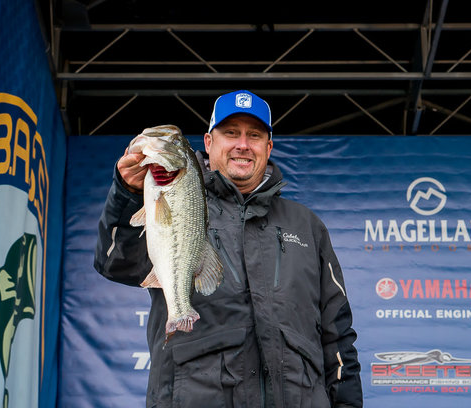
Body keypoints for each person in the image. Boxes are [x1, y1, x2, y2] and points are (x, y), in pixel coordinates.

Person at [94, 90, 363, 408]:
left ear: (268, 146)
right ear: (209, 143)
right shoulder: (180, 203)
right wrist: (127, 194)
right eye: (231, 133)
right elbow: (115, 262)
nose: (242, 144)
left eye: (254, 135)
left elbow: (338, 333)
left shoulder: (307, 225)